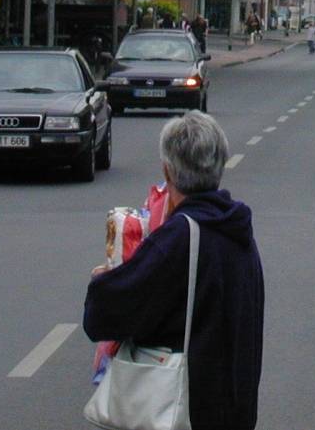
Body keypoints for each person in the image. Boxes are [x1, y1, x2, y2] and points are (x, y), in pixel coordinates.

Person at [83, 112, 264, 430]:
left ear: (168, 171)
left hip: (186, 410)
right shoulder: (238, 232)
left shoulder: (179, 236)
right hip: (235, 406)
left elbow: (106, 315)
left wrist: (103, 280)